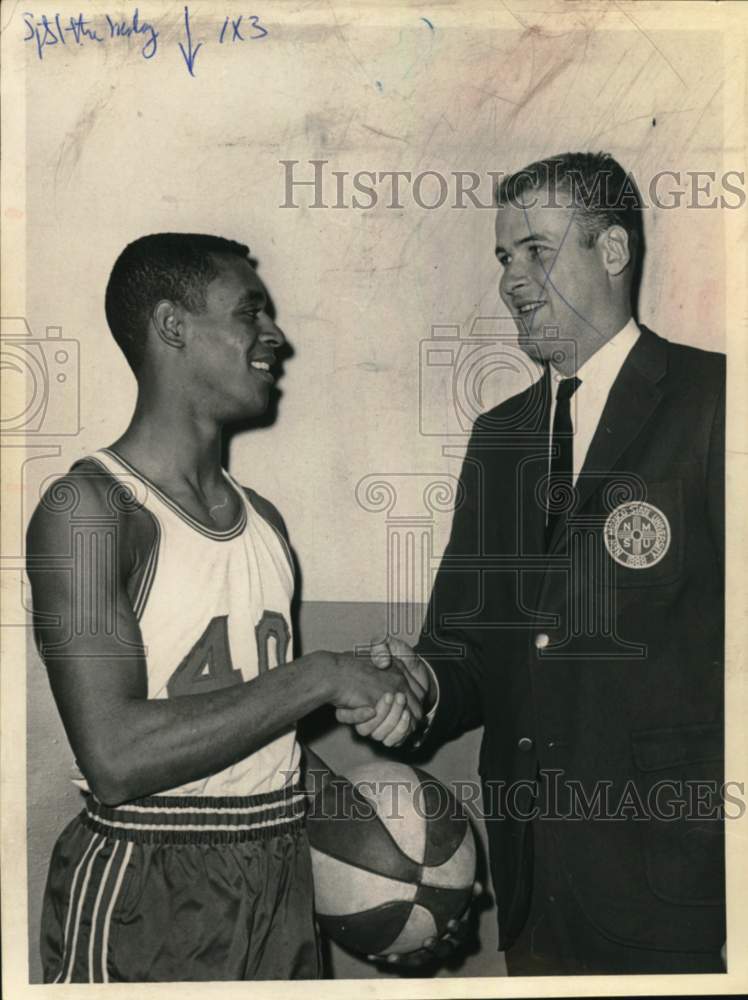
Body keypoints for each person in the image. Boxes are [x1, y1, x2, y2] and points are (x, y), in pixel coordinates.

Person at [343, 152, 726, 975]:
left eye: (536, 252)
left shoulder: (715, 403)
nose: (513, 280)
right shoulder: (500, 436)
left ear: (612, 251)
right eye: (504, 258)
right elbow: (467, 646)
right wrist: (419, 691)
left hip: (682, 890)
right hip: (531, 889)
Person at [25, 233, 427, 983]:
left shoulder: (264, 520)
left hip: (278, 878)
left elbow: (256, 746)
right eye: (250, 313)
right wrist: (322, 677)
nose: (275, 336)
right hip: (149, 893)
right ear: (173, 326)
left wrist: (403, 869)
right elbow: (114, 758)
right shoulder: (87, 511)